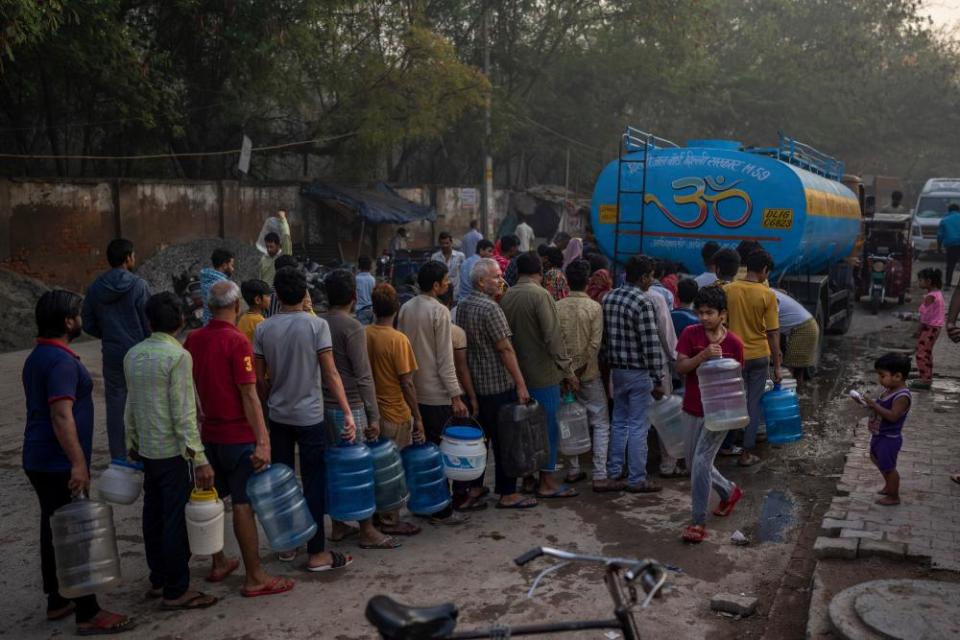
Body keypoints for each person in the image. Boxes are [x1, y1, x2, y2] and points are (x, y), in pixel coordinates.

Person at [23, 290, 135, 635]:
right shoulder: (59, 362)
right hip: (57, 461)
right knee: (78, 532)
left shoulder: (40, 355)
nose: (81, 318)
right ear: (68, 321)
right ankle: (88, 612)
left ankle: (57, 598)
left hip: (39, 456)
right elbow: (61, 415)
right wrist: (78, 464)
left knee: (54, 526)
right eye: (78, 313)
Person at [185, 281, 295, 593]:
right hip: (237, 436)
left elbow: (190, 388)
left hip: (209, 436)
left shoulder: (193, 339)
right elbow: (249, 395)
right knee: (243, 504)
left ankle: (218, 561)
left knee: (213, 497)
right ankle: (255, 576)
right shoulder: (236, 342)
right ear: (236, 307)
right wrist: (263, 439)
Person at [255, 267, 356, 572]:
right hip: (310, 416)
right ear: (305, 294)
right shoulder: (315, 326)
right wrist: (347, 410)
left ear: (276, 296)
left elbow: (259, 381)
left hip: (278, 415)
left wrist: (266, 408)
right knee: (313, 482)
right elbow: (330, 372)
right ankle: (317, 553)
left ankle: (289, 545)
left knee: (283, 482)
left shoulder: (263, 328)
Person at [124, 292, 219, 610]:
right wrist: (200, 458)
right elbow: (184, 413)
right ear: (181, 321)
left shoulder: (133, 355)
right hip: (173, 453)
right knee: (174, 519)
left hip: (148, 451)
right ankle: (177, 589)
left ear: (148, 322)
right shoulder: (178, 356)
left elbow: (131, 406)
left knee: (152, 514)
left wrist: (132, 442)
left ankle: (159, 578)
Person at [319, 271, 400, 549]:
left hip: (324, 407)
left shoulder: (318, 322)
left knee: (335, 469)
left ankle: (339, 526)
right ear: (354, 298)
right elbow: (363, 375)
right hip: (350, 407)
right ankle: (367, 529)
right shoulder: (351, 326)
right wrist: (373, 415)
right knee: (359, 470)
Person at [397, 261, 478, 514]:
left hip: (414, 391)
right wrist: (456, 395)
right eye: (445, 280)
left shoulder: (406, 308)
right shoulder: (440, 311)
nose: (449, 283)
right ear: (435, 285)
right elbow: (445, 359)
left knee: (428, 451)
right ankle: (443, 507)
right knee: (445, 452)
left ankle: (431, 503)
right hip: (437, 395)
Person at [456, 258, 538, 509]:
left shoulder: (463, 305)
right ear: (481, 281)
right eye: (496, 276)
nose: (501, 280)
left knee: (482, 441)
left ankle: (475, 487)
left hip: (475, 387)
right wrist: (521, 385)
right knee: (506, 442)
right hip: (498, 387)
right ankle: (507, 493)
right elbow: (505, 349)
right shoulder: (491, 309)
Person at [501, 253, 579, 498]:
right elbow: (553, 338)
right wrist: (568, 370)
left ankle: (528, 479)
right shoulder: (541, 295)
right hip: (543, 376)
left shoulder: (508, 296)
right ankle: (547, 482)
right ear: (540, 272)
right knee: (547, 431)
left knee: (524, 430)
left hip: (517, 376)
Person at [676, 286, 745, 543]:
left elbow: (739, 382)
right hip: (692, 407)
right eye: (700, 312)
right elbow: (681, 367)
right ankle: (729, 491)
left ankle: (697, 522)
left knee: (701, 463)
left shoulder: (734, 344)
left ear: (723, 315)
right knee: (694, 463)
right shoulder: (690, 334)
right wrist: (702, 356)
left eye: (710, 313)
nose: (704, 317)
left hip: (720, 414)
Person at [81, 238, 151, 461]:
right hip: (139, 351)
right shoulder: (139, 285)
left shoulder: (95, 288)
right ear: (128, 257)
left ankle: (118, 457)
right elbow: (149, 322)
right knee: (143, 401)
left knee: (115, 405)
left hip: (112, 353)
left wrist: (109, 335)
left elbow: (88, 322)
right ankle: (142, 451)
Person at [366, 284, 427, 534]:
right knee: (392, 471)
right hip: (395, 415)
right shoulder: (398, 340)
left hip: (373, 414)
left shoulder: (364, 333)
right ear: (397, 308)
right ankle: (390, 520)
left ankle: (377, 516)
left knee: (375, 469)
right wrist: (419, 418)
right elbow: (408, 383)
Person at [602, 255, 665, 493]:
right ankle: (637, 478)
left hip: (617, 370)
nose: (652, 280)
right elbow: (650, 344)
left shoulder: (610, 298)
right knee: (639, 425)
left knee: (619, 422)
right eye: (650, 276)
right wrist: (658, 377)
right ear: (642, 277)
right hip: (639, 372)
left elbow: (605, 338)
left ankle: (615, 472)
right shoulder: (643, 302)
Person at [557, 260, 616, 491]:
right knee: (600, 423)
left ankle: (573, 470)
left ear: (567, 281)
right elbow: (594, 345)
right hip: (589, 375)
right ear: (588, 280)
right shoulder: (594, 307)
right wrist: (579, 373)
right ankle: (600, 474)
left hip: (563, 378)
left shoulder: (557, 306)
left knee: (569, 421)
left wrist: (569, 375)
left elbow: (554, 344)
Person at [724, 249, 781, 467]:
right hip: (758, 355)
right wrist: (777, 366)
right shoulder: (767, 294)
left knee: (731, 400)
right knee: (753, 403)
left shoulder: (729, 289)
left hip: (733, 356)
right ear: (764, 270)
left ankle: (726, 444)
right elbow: (773, 333)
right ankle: (746, 454)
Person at [852, 353, 912, 506]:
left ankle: (894, 496)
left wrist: (874, 405)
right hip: (879, 434)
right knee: (877, 459)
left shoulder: (902, 396)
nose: (879, 379)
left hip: (889, 438)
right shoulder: (888, 390)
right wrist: (865, 403)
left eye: (882, 375)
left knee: (889, 467)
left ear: (898, 376)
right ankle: (889, 486)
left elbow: (893, 417)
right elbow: (879, 410)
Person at [639, 259, 680, 477]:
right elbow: (667, 334)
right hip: (657, 366)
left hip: (629, 369)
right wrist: (676, 360)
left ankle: (635, 466)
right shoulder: (656, 298)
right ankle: (668, 465)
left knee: (634, 420)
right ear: (646, 276)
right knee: (666, 415)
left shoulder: (614, 296)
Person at [774, 289, 819, 384]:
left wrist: (777, 350)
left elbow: (773, 330)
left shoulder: (768, 297)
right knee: (796, 371)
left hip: (804, 328)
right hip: (807, 325)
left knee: (790, 372)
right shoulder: (769, 291)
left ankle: (793, 395)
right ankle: (797, 395)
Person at [911, 268, 945, 390]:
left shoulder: (930, 297)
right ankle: (926, 377)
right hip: (935, 327)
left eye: (920, 280)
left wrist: (918, 330)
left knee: (921, 353)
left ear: (929, 281)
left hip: (930, 327)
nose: (918, 283)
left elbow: (925, 316)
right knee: (927, 352)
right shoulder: (937, 293)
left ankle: (925, 380)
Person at [200, 248, 235, 325]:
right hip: (219, 326)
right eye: (232, 265)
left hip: (206, 324)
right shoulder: (223, 285)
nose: (233, 269)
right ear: (224, 265)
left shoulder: (205, 277)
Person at [258, 209, 292, 286]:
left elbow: (286, 237)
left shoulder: (284, 256)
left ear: (278, 246)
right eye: (267, 247)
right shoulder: (263, 259)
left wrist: (283, 220)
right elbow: (260, 278)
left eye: (271, 247)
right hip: (266, 293)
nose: (269, 249)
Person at [431, 232, 466, 301]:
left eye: (447, 243)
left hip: (456, 294)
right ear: (439, 244)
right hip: (440, 294)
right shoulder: (434, 257)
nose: (444, 246)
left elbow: (463, 275)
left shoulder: (460, 256)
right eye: (442, 243)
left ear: (451, 242)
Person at [238, 279, 271, 344]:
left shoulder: (242, 317)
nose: (270, 298)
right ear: (257, 300)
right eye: (268, 296)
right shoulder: (260, 322)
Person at [937, 203, 960, 289]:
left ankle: (947, 285)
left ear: (949, 211)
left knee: (950, 265)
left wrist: (939, 247)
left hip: (951, 245)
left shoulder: (944, 220)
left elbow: (940, 235)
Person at [356, 255, 376, 325]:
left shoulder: (356, 279)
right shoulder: (372, 279)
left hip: (360, 310)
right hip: (371, 309)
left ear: (359, 266)